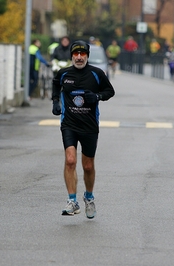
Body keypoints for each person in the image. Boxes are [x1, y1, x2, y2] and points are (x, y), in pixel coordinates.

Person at [51, 40, 115, 219]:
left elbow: (110, 91)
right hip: (69, 124)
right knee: (70, 160)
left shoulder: (96, 73)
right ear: (71, 55)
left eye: (82, 54)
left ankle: (89, 197)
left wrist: (96, 96)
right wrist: (55, 101)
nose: (79, 57)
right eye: (76, 54)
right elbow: (56, 84)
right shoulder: (64, 73)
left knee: (87, 165)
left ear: (87, 55)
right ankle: (72, 201)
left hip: (89, 126)